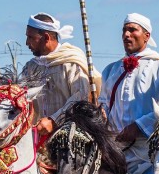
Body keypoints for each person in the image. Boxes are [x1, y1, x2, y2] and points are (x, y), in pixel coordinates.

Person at [97, 13, 159, 174]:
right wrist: (101, 112)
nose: (126, 35)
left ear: (146, 36)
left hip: (148, 154)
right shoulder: (111, 70)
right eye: (124, 30)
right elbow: (104, 102)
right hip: (113, 151)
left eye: (132, 30)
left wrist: (138, 126)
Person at [21, 13, 101, 141]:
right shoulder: (30, 67)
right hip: (37, 139)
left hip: (72, 139)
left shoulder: (72, 62)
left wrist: (54, 121)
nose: (26, 43)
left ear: (46, 37)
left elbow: (81, 98)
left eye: (30, 37)